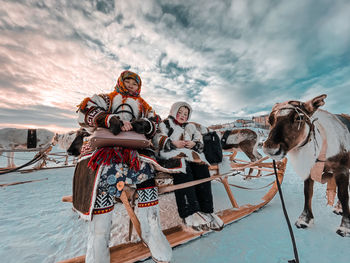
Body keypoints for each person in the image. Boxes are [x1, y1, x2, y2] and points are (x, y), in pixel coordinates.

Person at [72, 70, 172, 263]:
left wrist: (145, 125)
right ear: (120, 82)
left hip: (135, 151)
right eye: (128, 82)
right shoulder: (105, 99)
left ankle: (152, 231)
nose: (132, 86)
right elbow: (84, 112)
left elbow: (156, 124)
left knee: (147, 174)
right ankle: (98, 242)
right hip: (105, 148)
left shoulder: (144, 106)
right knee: (101, 179)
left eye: (135, 84)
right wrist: (109, 119)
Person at [154, 101, 224, 231]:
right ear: (173, 112)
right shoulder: (165, 124)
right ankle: (189, 212)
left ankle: (206, 210)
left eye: (186, 114)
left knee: (201, 168)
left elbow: (199, 141)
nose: (182, 115)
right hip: (170, 155)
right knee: (183, 167)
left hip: (189, 155)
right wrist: (172, 143)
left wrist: (194, 144)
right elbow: (157, 138)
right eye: (179, 112)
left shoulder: (191, 127)